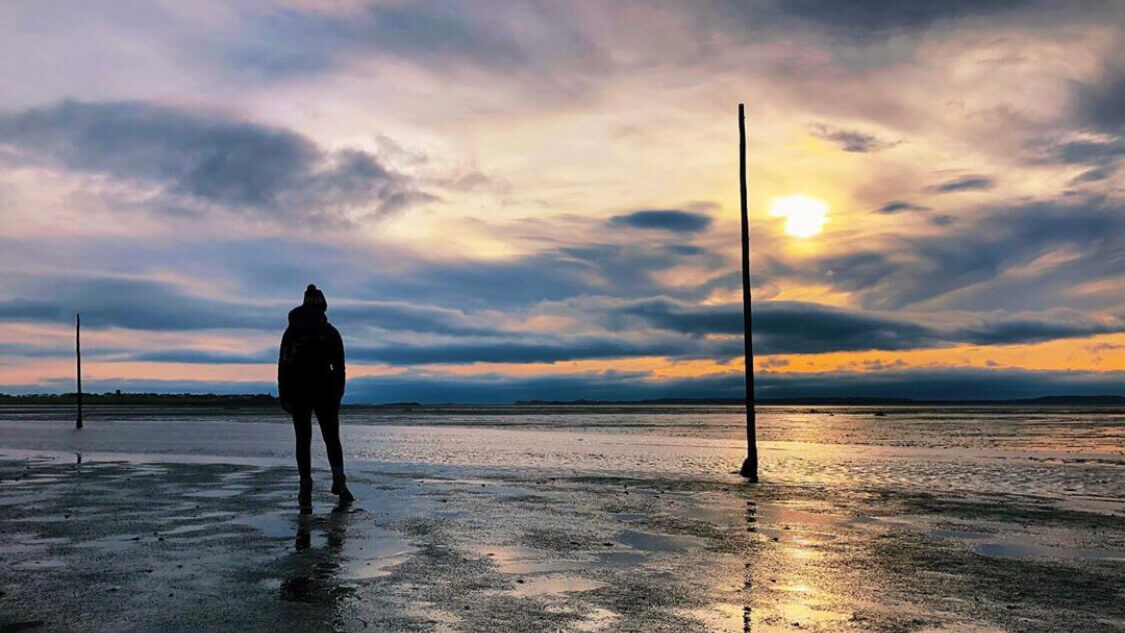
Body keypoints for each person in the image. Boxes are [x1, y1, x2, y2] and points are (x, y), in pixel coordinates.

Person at [278, 284, 354, 513]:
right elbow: (340, 367)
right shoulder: (329, 331)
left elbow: (283, 364)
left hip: (300, 391)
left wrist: (283, 392)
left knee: (304, 440)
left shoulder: (292, 331)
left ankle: (306, 486)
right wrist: (338, 391)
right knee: (331, 438)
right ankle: (338, 481)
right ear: (322, 305)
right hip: (323, 391)